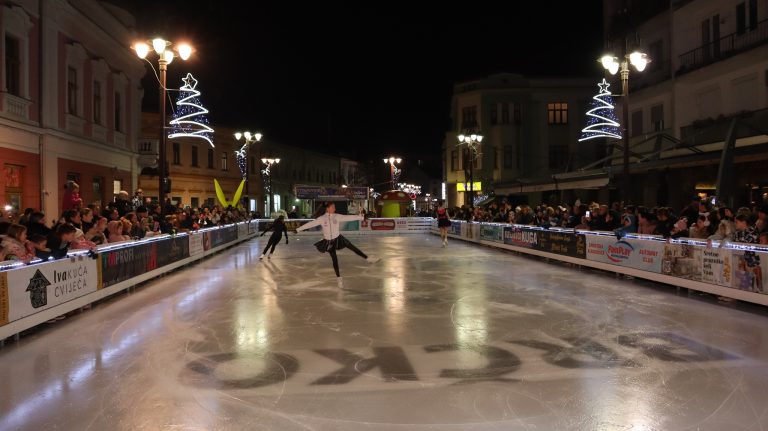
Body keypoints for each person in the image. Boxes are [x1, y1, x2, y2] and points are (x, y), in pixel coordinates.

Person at [295, 202, 379, 288]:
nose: (335, 209)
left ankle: (368, 259)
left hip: (339, 238)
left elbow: (348, 217)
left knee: (353, 247)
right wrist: (298, 229)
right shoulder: (322, 218)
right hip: (328, 242)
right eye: (333, 207)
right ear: (328, 208)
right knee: (334, 260)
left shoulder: (337, 216)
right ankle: (339, 279)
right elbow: (310, 224)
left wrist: (362, 217)